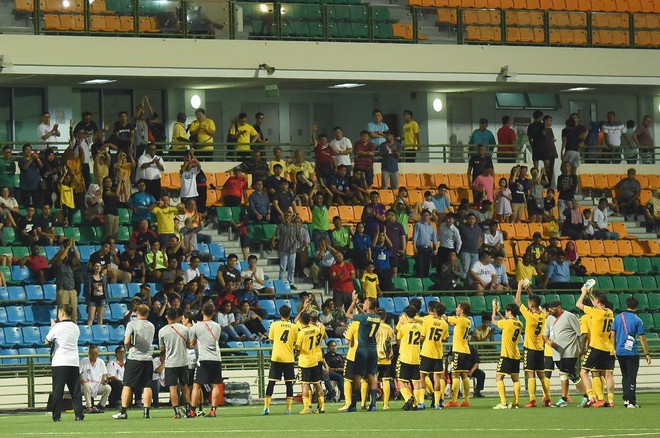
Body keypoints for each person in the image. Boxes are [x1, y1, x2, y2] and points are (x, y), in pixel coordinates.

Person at [112, 304, 155, 419]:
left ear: (136, 312)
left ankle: (123, 411)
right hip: (147, 359)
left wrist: (128, 347)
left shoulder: (132, 324)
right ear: (147, 313)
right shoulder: (151, 326)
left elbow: (126, 341)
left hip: (134, 358)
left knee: (127, 385)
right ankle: (146, 412)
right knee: (147, 385)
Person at [543, 300, 588, 407]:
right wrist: (549, 342)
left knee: (568, 373)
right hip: (557, 352)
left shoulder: (569, 317)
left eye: (553, 309)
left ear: (559, 307)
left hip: (569, 350)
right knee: (566, 374)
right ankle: (567, 398)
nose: (551, 312)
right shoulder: (549, 318)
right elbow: (545, 334)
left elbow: (580, 334)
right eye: (550, 310)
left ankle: (586, 396)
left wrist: (582, 349)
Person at [576, 285, 615, 408]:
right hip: (608, 348)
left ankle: (591, 396)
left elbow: (578, 304)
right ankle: (610, 399)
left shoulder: (595, 313)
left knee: (584, 372)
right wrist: (590, 294)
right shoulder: (609, 312)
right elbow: (596, 304)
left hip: (596, 347)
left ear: (598, 302)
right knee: (608, 375)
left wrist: (583, 292)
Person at [514, 282, 552, 407]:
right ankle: (547, 397)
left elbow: (518, 302)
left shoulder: (529, 316)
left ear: (530, 305)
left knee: (530, 373)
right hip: (540, 348)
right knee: (541, 374)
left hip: (530, 349)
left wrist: (519, 288)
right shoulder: (542, 315)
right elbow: (535, 301)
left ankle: (532, 400)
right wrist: (528, 290)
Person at [46, 304, 84, 422]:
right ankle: (79, 415)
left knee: (58, 390)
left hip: (60, 362)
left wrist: (52, 327)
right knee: (75, 390)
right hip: (73, 362)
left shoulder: (57, 327)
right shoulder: (75, 327)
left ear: (62, 313)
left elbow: (47, 341)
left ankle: (57, 416)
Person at [343, 294, 381, 412]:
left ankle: (353, 405)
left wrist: (353, 303)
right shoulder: (377, 318)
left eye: (365, 303)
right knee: (371, 377)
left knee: (357, 377)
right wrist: (360, 308)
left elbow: (347, 314)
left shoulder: (364, 318)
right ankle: (373, 405)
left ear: (368, 306)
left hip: (362, 349)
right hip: (373, 349)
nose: (363, 304)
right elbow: (366, 316)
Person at [613, 297, 651, 409]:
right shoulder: (637, 320)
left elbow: (612, 334)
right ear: (636, 307)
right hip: (632, 352)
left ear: (626, 305)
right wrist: (647, 353)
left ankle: (626, 399)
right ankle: (631, 401)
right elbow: (642, 338)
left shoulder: (618, 317)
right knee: (632, 376)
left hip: (620, 351)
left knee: (625, 375)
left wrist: (613, 348)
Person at [262, 305, 298, 415]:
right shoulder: (294, 327)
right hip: (288, 358)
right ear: (290, 313)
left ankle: (266, 408)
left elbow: (271, 340)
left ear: (279, 313)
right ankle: (288, 409)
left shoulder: (274, 324)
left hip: (276, 357)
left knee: (271, 382)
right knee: (289, 384)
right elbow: (295, 343)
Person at [189, 303, 223, 417]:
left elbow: (192, 343)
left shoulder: (196, 327)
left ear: (202, 312)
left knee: (196, 385)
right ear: (213, 313)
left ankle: (192, 411)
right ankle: (213, 410)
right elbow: (216, 340)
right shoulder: (217, 326)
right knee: (215, 385)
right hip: (216, 358)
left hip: (203, 358)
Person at [159, 308, 192, 419]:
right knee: (185, 387)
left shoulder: (162, 331)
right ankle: (188, 411)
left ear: (166, 317)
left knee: (173, 388)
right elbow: (188, 344)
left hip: (170, 363)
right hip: (183, 361)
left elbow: (162, 349)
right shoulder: (184, 329)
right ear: (177, 316)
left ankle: (177, 413)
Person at [490, 301, 524, 409]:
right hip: (516, 355)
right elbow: (506, 321)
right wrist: (499, 312)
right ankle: (515, 403)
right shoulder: (520, 323)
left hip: (506, 354)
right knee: (516, 379)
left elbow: (494, 321)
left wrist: (494, 309)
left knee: (499, 377)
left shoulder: (506, 323)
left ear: (509, 312)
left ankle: (503, 403)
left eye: (506, 311)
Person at [419, 301, 449, 410]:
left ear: (434, 311)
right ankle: (437, 403)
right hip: (438, 354)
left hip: (426, 352)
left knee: (422, 376)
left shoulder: (427, 321)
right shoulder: (445, 324)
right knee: (437, 378)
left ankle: (421, 402)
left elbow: (422, 337)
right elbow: (445, 338)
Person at [395, 306, 424, 411]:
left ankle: (408, 398)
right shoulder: (420, 327)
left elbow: (397, 339)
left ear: (406, 316)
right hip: (416, 357)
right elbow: (422, 338)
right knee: (416, 382)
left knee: (401, 381)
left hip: (405, 357)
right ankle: (415, 404)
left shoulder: (403, 327)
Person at [444, 301, 472, 407]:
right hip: (466, 350)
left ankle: (454, 400)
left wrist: (442, 315)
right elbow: (452, 322)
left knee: (455, 374)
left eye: (458, 307)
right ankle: (466, 400)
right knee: (464, 375)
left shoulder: (459, 320)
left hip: (458, 350)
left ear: (462, 310)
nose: (456, 309)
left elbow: (446, 318)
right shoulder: (467, 321)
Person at [296, 312, 324, 414]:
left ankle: (306, 407)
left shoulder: (301, 333)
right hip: (314, 360)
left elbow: (298, 348)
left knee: (305, 384)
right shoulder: (315, 329)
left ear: (300, 321)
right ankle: (322, 406)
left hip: (305, 361)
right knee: (317, 383)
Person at [51, 238, 81, 322]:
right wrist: (67, 248)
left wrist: (74, 247)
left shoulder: (70, 265)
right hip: (63, 290)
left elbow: (78, 258)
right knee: (63, 314)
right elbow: (60, 258)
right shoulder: (58, 264)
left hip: (72, 290)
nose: (66, 255)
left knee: (74, 314)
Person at [271, 211, 302, 289]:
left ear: (291, 217)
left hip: (292, 249)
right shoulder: (281, 226)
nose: (287, 217)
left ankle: (290, 282)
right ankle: (281, 282)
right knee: (283, 267)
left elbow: (299, 237)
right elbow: (275, 234)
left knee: (292, 267)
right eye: (286, 216)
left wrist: (301, 243)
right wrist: (272, 242)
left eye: (289, 216)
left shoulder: (295, 227)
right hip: (283, 248)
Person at [79, 345, 111, 413]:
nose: (94, 355)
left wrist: (104, 380)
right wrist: (82, 381)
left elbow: (104, 374)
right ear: (89, 354)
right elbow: (78, 374)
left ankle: (101, 405)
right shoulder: (83, 361)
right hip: (85, 385)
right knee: (86, 386)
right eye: (92, 354)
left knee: (108, 388)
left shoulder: (101, 362)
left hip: (97, 385)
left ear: (98, 354)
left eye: (96, 354)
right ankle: (89, 407)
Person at [413, 209, 437, 278]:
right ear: (421, 216)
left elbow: (434, 239)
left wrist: (436, 249)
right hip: (420, 248)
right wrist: (414, 247)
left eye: (427, 215)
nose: (426, 216)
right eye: (424, 215)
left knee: (426, 267)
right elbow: (415, 237)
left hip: (428, 249)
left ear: (430, 216)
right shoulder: (418, 224)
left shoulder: (431, 227)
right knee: (420, 267)